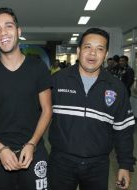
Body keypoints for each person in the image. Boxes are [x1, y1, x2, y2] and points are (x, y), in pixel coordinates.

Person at [0, 7, 52, 190]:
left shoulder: (37, 67)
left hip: (34, 149)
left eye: (8, 26)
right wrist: (0, 149)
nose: (3, 32)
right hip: (2, 152)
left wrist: (32, 144)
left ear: (18, 31)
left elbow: (47, 110)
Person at [48, 28, 135, 190]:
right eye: (88, 47)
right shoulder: (57, 81)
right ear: (79, 50)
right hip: (60, 163)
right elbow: (36, 115)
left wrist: (125, 165)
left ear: (106, 54)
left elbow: (123, 129)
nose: (93, 53)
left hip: (98, 166)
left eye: (99, 49)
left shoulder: (116, 88)